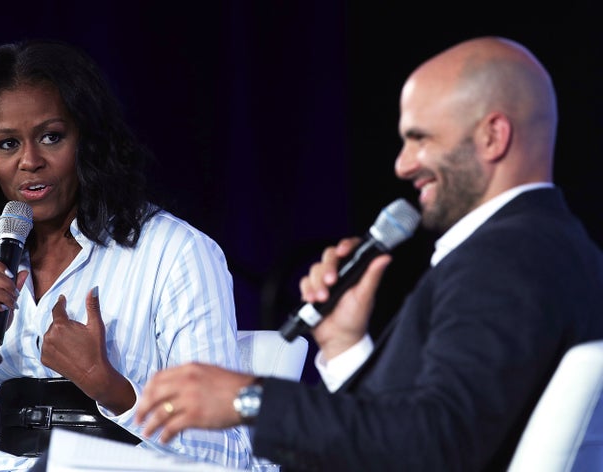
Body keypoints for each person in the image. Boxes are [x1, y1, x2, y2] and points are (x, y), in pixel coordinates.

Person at [133, 36, 603, 471]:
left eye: (421, 139)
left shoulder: (506, 258)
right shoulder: (550, 243)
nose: (402, 164)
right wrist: (344, 347)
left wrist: (249, 398)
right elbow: (420, 435)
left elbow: (439, 443)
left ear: (493, 136)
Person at [0, 40, 251, 471]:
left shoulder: (176, 252)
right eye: (7, 144)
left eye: (51, 137)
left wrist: (110, 387)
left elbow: (228, 455)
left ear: (89, 141)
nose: (30, 161)